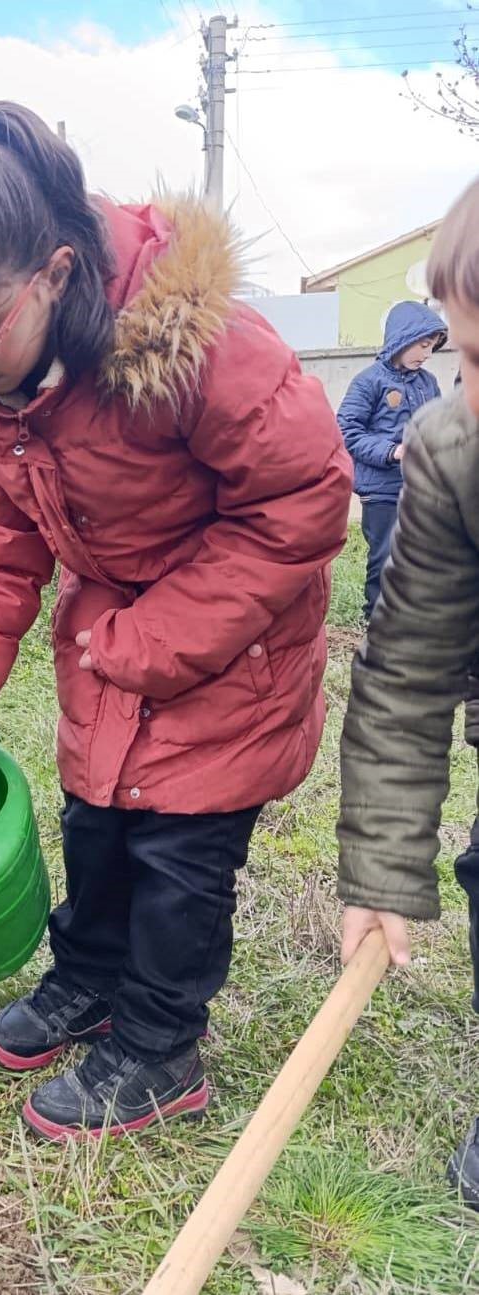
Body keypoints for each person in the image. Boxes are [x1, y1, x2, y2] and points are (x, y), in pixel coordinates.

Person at [0, 102, 351, 1143]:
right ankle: (88, 977)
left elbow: (305, 498)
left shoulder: (200, 347)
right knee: (96, 828)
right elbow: (3, 548)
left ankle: (157, 1043)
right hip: (112, 645)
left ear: (51, 273)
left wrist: (162, 634)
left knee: (180, 860)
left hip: (233, 643)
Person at [337, 176, 479, 1209]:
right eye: (467, 360)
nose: (472, 395)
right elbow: (411, 660)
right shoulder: (453, 448)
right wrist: (383, 863)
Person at [337, 300, 446, 620]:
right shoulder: (369, 381)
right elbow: (346, 431)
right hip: (382, 489)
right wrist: (391, 451)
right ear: (402, 338)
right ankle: (377, 617)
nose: (427, 353)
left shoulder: (428, 383)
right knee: (385, 553)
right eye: (423, 345)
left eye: (432, 347)